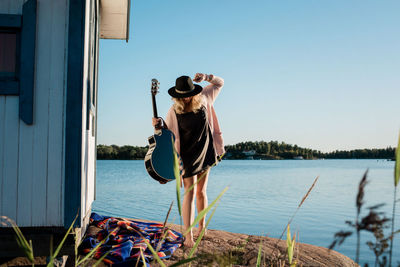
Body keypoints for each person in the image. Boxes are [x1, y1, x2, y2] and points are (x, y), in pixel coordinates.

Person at [152, 73, 225, 247]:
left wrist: (207, 76)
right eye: (181, 97)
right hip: (186, 156)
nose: (185, 99)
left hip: (205, 151)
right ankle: (188, 236)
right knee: (189, 194)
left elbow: (220, 83)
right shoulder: (173, 110)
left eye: (187, 95)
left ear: (194, 92)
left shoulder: (205, 97)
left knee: (201, 191)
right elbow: (165, 134)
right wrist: (157, 126)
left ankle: (202, 227)